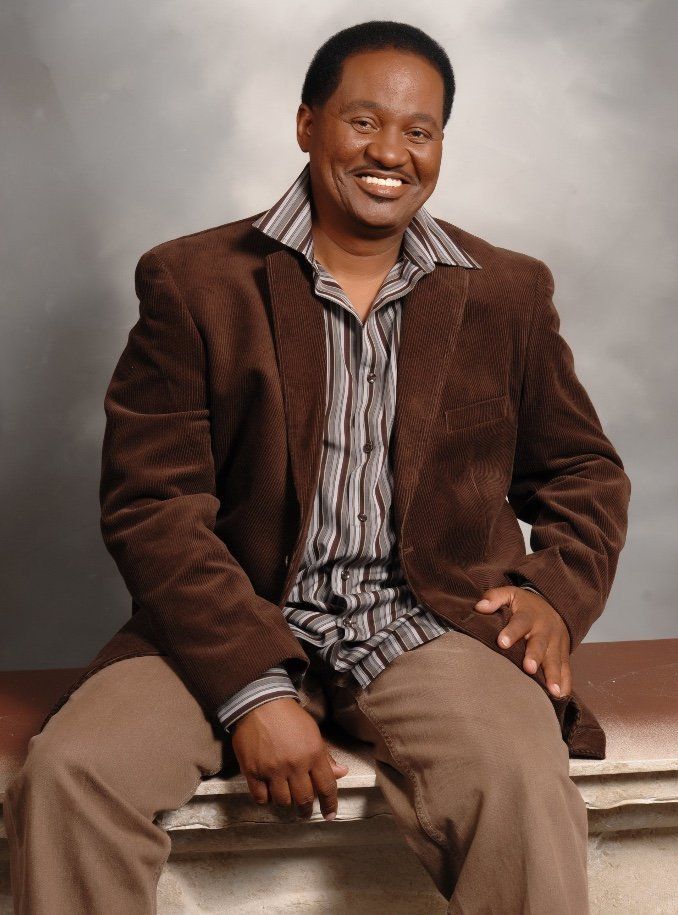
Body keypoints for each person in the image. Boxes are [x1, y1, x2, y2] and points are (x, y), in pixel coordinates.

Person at [5, 19, 631, 914]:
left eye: (420, 131)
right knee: (71, 778)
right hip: (227, 616)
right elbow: (153, 504)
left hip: (429, 622)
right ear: (307, 124)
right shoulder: (194, 284)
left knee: (522, 787)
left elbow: (583, 471)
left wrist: (556, 592)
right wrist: (252, 690)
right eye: (363, 121)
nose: (391, 153)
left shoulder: (506, 292)